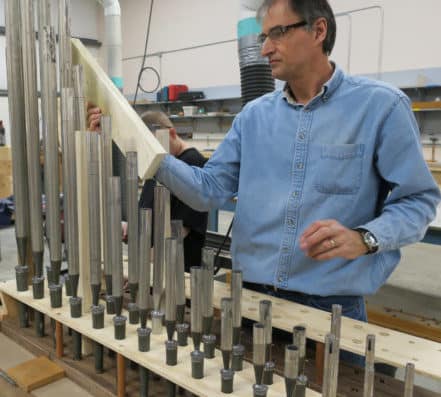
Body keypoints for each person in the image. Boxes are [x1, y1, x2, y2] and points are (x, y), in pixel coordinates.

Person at [150, 0, 441, 365]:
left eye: (278, 33)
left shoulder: (380, 108)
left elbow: (417, 202)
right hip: (252, 303)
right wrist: (145, 150)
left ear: (318, 31)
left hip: (332, 309)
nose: (266, 48)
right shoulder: (254, 118)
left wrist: (364, 238)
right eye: (263, 37)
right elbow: (208, 190)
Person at [87, 106, 208, 271]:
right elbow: (150, 206)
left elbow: (179, 231)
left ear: (171, 134)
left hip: (174, 271)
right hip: (150, 266)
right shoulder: (159, 162)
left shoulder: (194, 164)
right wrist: (130, 227)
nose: (149, 156)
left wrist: (141, 265)